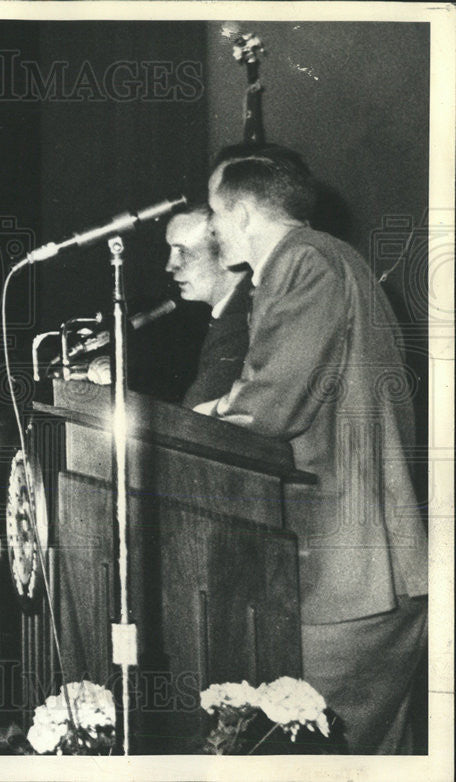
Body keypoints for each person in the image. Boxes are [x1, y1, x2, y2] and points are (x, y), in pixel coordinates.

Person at [200, 147, 429, 753]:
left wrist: (207, 415)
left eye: (214, 213)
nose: (211, 230)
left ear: (244, 213)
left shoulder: (303, 261)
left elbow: (271, 404)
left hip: (350, 570)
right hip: (363, 567)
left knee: (312, 755)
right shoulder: (327, 258)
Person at [163, 206, 251, 408]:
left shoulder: (245, 321)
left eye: (183, 252)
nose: (170, 265)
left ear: (227, 251)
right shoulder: (229, 314)